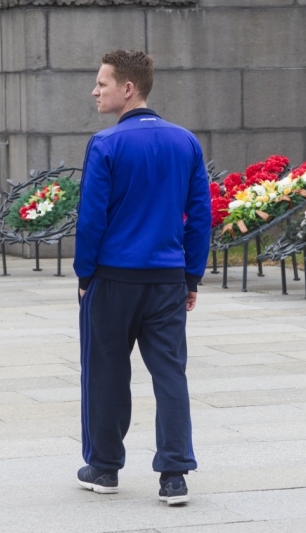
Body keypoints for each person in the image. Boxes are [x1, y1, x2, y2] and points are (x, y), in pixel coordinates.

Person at [73, 50, 212, 506]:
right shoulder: (186, 142)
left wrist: (84, 274)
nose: (95, 91)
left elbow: (92, 218)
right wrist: (191, 277)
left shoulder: (106, 145)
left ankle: (105, 468)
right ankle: (175, 474)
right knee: (170, 374)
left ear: (128, 89)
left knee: (106, 373)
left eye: (102, 83)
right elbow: (199, 218)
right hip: (168, 279)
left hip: (113, 279)